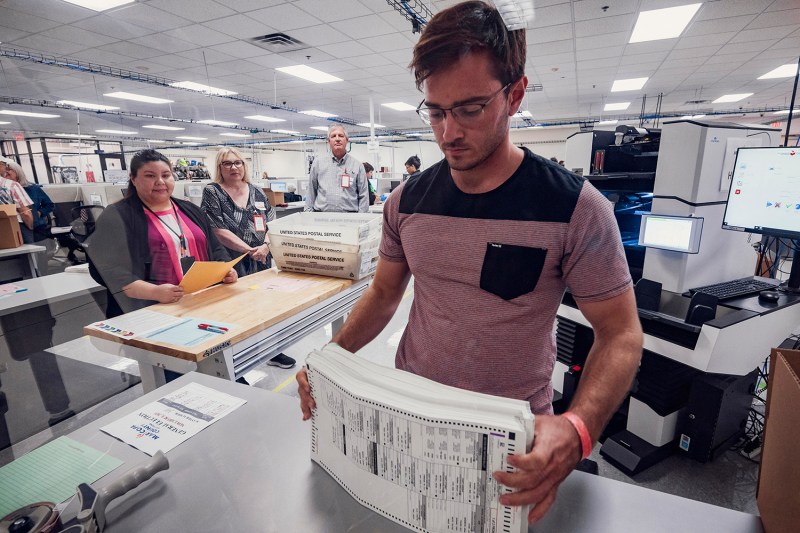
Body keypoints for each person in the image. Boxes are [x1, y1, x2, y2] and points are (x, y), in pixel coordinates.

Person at [297, 0, 642, 524]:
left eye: (470, 109)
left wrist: (578, 428)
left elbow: (620, 334)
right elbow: (386, 294)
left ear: (515, 94)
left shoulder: (574, 208)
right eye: (435, 111)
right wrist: (328, 360)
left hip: (510, 436)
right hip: (408, 415)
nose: (448, 133)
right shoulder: (406, 202)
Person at [88, 149, 238, 319]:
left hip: (199, 303)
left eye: (166, 175)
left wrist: (226, 268)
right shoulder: (117, 216)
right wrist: (154, 292)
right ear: (133, 179)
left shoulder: (190, 210)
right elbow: (105, 268)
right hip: (150, 310)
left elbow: (215, 247)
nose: (160, 181)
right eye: (150, 176)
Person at [201, 148, 296, 369]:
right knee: (236, 310)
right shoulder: (213, 192)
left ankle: (273, 350)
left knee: (267, 305)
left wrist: (264, 246)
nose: (234, 167)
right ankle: (235, 361)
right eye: (227, 164)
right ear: (219, 168)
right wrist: (249, 249)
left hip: (261, 259)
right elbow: (215, 228)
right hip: (232, 261)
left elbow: (273, 222)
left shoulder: (257, 192)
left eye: (238, 163)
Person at [305, 125, 368, 213]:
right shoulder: (318, 163)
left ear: (347, 140)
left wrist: (361, 219)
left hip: (349, 218)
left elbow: (364, 195)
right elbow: (311, 191)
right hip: (322, 218)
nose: (337, 139)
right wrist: (308, 215)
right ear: (329, 141)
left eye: (341, 136)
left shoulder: (357, 165)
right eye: (333, 136)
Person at [4, 162, 54, 244]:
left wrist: (40, 212)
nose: (6, 172)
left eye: (9, 169)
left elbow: (49, 205)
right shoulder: (5, 191)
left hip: (37, 226)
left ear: (17, 172)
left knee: (40, 251)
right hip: (18, 228)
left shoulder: (33, 189)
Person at [0, 158, 34, 234]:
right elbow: (25, 213)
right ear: (0, 166)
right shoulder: (11, 185)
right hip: (15, 226)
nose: (6, 169)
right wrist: (30, 227)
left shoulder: (33, 188)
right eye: (5, 165)